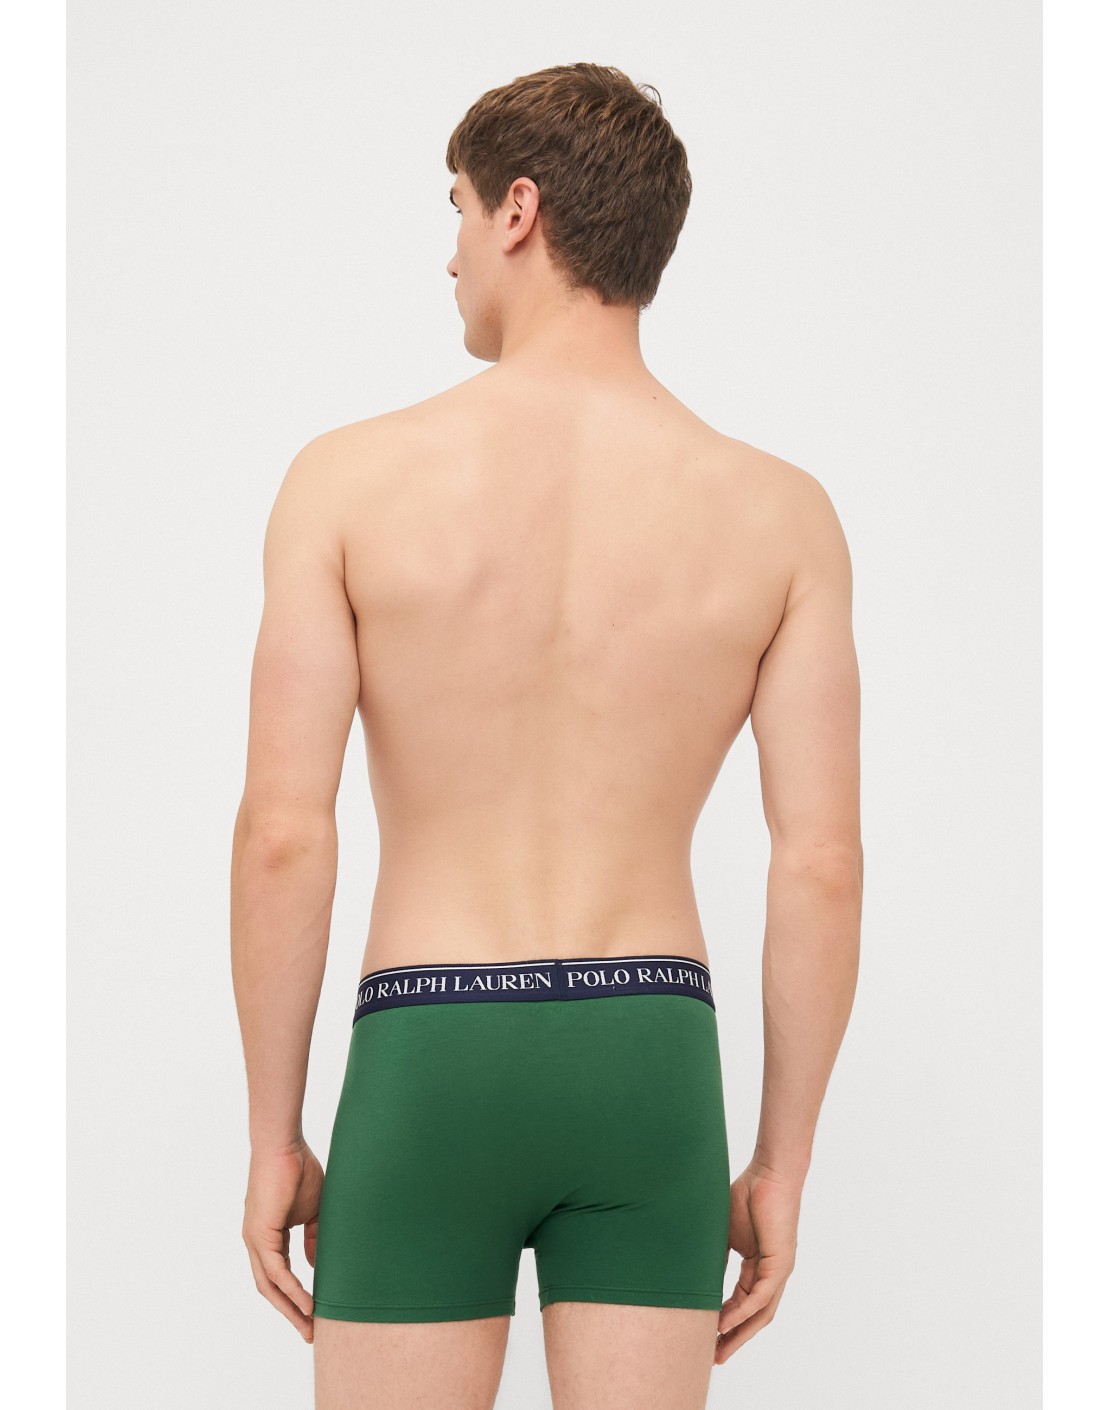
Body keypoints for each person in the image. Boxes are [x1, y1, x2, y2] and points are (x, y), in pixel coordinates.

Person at [230, 61, 862, 1410]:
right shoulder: (781, 515)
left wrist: (275, 1132)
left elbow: (284, 832)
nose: (450, 251)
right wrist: (780, 1162)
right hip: (649, 1054)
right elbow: (819, 862)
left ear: (517, 211)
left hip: (431, 1048)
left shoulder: (344, 482)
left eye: (456, 210)